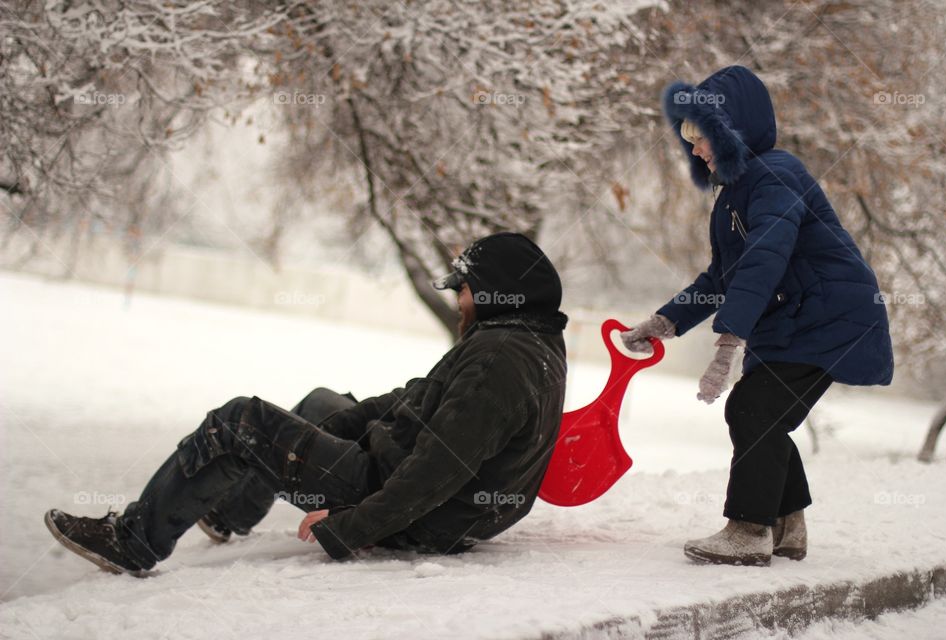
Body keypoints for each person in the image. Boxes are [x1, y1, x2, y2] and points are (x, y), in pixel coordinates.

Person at [45, 232, 568, 575]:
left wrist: (347, 529)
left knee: (239, 421)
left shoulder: (499, 358)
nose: (459, 299)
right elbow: (417, 398)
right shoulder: (526, 340)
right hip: (414, 487)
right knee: (321, 405)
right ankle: (229, 514)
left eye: (466, 289)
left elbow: (440, 470)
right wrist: (323, 431)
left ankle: (133, 541)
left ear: (498, 292)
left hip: (419, 513)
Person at [622, 66, 894, 566]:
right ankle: (786, 527)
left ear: (730, 131)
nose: (693, 146)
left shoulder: (774, 174)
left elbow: (765, 257)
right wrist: (665, 322)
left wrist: (728, 344)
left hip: (831, 319)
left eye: (699, 134)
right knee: (759, 412)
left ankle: (750, 530)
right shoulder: (738, 190)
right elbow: (724, 277)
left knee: (753, 408)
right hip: (800, 321)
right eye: (686, 135)